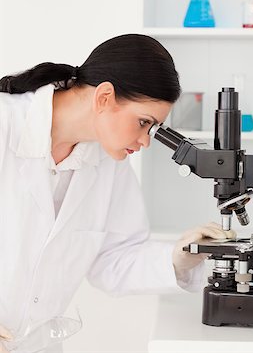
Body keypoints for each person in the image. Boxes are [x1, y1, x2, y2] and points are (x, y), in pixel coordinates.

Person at [0, 34, 234, 352]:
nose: (145, 141)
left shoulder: (108, 164)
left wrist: (179, 257)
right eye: (143, 122)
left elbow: (113, 260)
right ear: (104, 97)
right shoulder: (6, 123)